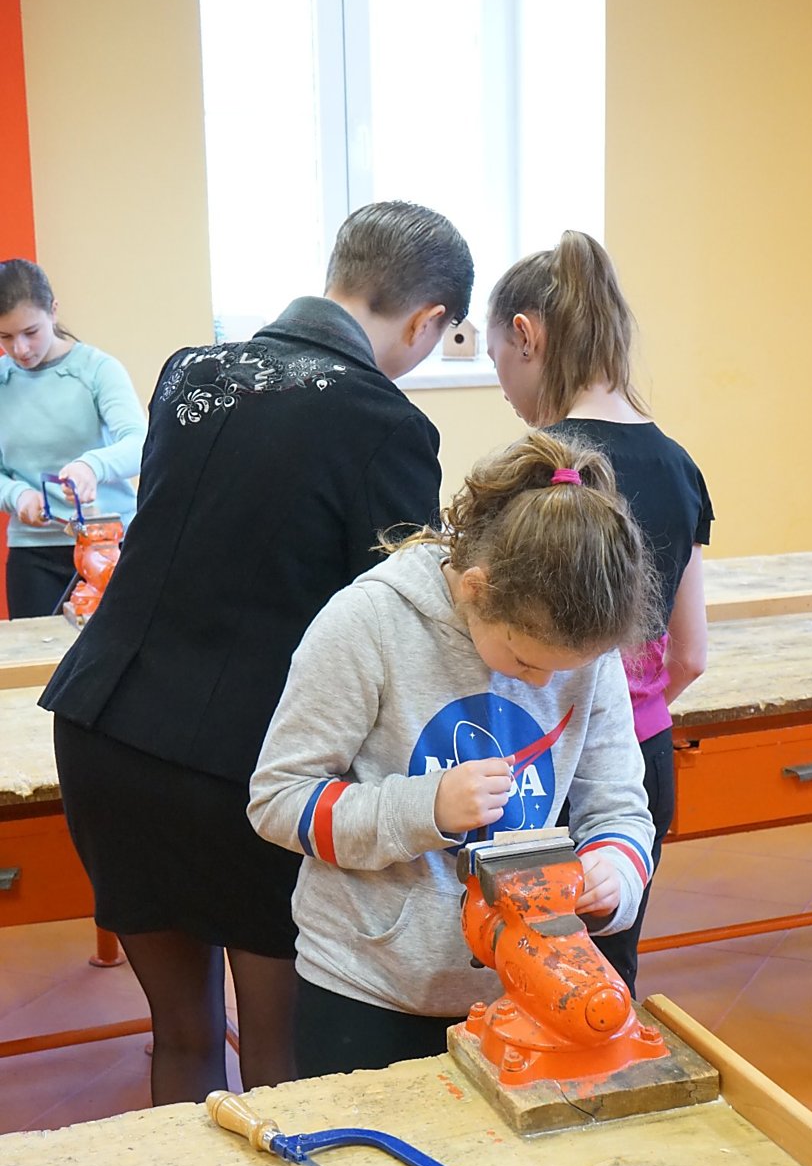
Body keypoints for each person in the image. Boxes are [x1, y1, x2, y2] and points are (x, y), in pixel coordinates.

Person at [40, 201, 473, 1105]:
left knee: (184, 1037)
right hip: (249, 767)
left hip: (104, 728)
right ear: (429, 320)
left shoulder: (188, 370)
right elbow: (398, 618)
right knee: (284, 1058)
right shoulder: (385, 422)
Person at [248, 431, 657, 1077]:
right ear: (474, 588)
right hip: (371, 987)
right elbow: (278, 801)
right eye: (524, 659)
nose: (545, 684)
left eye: (567, 669)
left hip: (526, 990)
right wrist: (426, 807)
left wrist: (616, 872)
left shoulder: (584, 647)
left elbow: (620, 808)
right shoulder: (368, 623)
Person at [487, 231, 714, 996]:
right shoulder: (680, 465)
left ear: (527, 337)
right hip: (640, 764)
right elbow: (690, 655)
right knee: (606, 980)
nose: (505, 390)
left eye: (498, 362)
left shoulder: (538, 471)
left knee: (527, 976)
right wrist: (630, 710)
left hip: (544, 766)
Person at [0, 258, 145, 618]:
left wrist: (91, 466)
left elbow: (140, 443)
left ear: (53, 311)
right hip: (33, 554)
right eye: (5, 337)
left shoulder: (97, 369)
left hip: (110, 545)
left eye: (31, 332)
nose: (20, 349)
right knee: (39, 652)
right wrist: (16, 495)